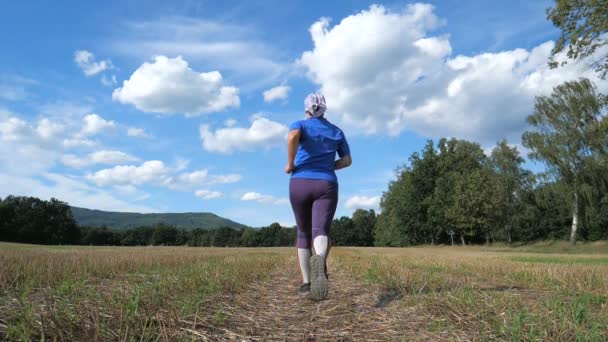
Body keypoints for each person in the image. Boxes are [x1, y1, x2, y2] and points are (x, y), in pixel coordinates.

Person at [285, 92, 352, 300]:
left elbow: (293, 136)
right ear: (324, 109)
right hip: (326, 183)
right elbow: (347, 160)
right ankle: (320, 260)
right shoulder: (336, 131)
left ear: (306, 109)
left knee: (303, 233)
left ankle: (306, 283)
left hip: (300, 182)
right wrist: (328, 166)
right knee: (320, 231)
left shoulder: (301, 124)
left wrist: (290, 163)